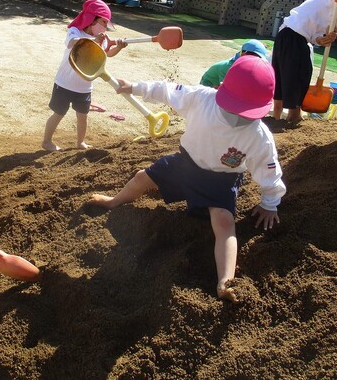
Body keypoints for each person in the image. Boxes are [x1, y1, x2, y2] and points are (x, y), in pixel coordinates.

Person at [88, 55, 286, 303]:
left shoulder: (259, 136)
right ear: (221, 90)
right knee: (142, 178)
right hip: (185, 165)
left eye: (246, 113)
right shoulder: (202, 98)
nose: (238, 117)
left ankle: (225, 282)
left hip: (221, 180)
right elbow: (167, 90)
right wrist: (135, 87)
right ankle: (113, 201)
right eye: (233, 107)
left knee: (224, 224)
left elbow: (269, 171)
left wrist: (269, 203)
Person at [42, 0, 127, 151]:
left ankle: (80, 142)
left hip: (84, 86)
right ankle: (47, 141)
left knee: (83, 116)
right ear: (91, 19)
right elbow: (73, 42)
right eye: (103, 22)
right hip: (64, 83)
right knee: (59, 113)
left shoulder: (102, 39)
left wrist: (119, 47)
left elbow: (108, 53)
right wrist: (93, 39)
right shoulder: (75, 31)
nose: (105, 27)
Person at [199, 39, 269, 88]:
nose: (256, 61)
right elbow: (226, 89)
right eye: (254, 57)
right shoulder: (229, 67)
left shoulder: (243, 64)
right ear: (243, 54)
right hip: (208, 88)